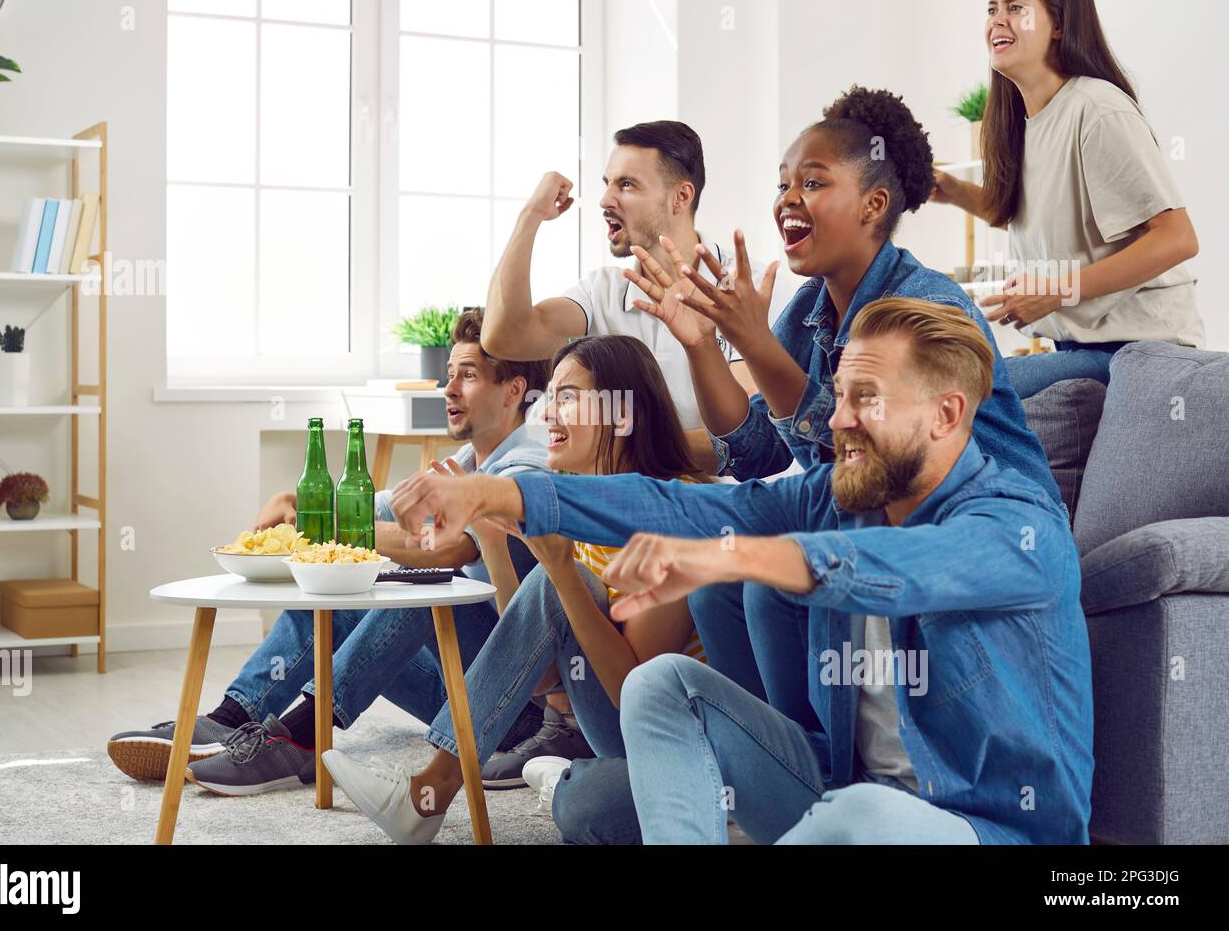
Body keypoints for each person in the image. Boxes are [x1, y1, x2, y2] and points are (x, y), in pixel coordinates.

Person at [386, 298, 1094, 844]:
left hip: (984, 827)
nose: (837, 421)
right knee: (664, 686)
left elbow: (904, 568)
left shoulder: (1017, 523)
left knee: (861, 817)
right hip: (837, 789)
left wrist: (727, 555)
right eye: (840, 395)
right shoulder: (838, 495)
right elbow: (674, 504)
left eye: (865, 399)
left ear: (947, 415)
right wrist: (500, 492)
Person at [626, 87, 1060, 754]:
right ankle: (774, 763)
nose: (786, 199)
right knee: (716, 589)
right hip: (865, 515)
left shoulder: (925, 308)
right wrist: (700, 343)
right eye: (782, 184)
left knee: (772, 590)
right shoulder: (808, 311)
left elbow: (876, 437)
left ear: (874, 205)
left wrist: (754, 345)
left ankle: (815, 767)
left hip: (962, 528)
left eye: (813, 182)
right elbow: (753, 452)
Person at [106, 309, 552, 794]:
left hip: (514, 710)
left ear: (513, 391)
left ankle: (297, 740)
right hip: (456, 691)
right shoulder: (462, 462)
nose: (448, 389)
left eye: (467, 376)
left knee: (425, 583)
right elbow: (378, 508)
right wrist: (299, 503)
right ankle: (232, 719)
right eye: (449, 374)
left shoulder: (524, 470)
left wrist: (329, 528)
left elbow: (441, 551)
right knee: (342, 598)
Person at [320, 335, 711, 844]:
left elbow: (635, 695)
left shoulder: (669, 516)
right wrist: (493, 542)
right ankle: (479, 782)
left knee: (584, 810)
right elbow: (541, 672)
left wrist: (561, 570)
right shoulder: (581, 501)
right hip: (606, 719)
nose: (546, 413)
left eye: (567, 396)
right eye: (551, 397)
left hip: (666, 726)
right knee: (545, 585)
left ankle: (436, 790)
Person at [931, 0, 1202, 398]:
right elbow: (1033, 214)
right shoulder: (1023, 126)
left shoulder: (1098, 110)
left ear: (1058, 24)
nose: (997, 20)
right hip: (1083, 350)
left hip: (1141, 353)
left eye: (1015, 7)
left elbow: (1177, 239)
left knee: (960, 390)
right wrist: (952, 191)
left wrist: (1059, 290)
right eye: (991, 9)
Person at [482, 120, 756, 467]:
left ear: (681, 197)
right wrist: (529, 217)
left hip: (716, 502)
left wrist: (610, 441)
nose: (605, 200)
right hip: (620, 494)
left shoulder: (745, 288)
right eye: (607, 183)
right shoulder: (602, 291)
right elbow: (505, 337)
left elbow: (741, 441)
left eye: (626, 185)